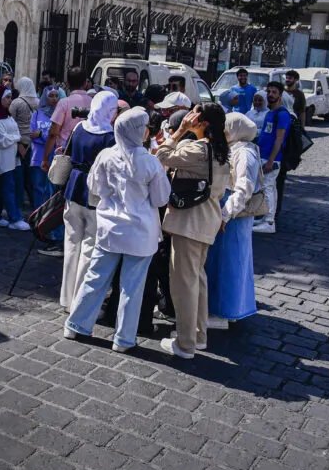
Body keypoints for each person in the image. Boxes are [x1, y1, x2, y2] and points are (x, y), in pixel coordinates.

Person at [64, 107, 171, 351]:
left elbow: (94, 187)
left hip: (110, 228)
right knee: (132, 287)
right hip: (140, 232)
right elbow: (160, 198)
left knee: (95, 278)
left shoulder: (106, 155)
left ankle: (76, 324)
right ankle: (123, 339)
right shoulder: (150, 162)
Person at [156, 103, 231, 359]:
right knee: (197, 281)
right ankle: (198, 336)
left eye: (194, 113)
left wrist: (179, 131)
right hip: (207, 221)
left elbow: (161, 155)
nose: (189, 116)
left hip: (189, 223)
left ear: (204, 122)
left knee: (183, 285)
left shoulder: (197, 149)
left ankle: (185, 344)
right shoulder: (220, 150)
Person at [60, 90, 119, 310]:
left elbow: (67, 153)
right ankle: (79, 300)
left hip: (74, 186)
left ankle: (66, 297)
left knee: (71, 244)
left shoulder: (78, 127)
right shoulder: (110, 137)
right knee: (89, 248)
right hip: (95, 191)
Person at [204, 113, 261, 329]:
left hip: (233, 214)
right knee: (225, 260)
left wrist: (225, 214)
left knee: (229, 262)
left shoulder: (244, 152)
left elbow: (243, 188)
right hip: (230, 211)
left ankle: (224, 311)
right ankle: (228, 309)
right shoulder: (238, 148)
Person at [0, 86, 28, 230]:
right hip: (3, 158)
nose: (10, 100)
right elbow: (1, 140)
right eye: (7, 97)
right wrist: (16, 138)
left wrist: (14, 138)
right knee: (8, 188)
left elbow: (11, 135)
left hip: (12, 157)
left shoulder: (7, 116)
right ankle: (14, 218)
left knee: (0, 188)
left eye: (10, 97)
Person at [32, 86, 67, 256]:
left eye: (56, 96)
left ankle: (54, 231)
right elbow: (32, 133)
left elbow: (51, 135)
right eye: (50, 96)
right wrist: (42, 136)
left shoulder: (61, 114)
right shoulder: (37, 113)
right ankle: (39, 223)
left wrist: (42, 135)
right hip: (38, 158)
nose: (53, 99)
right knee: (39, 191)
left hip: (56, 159)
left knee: (53, 195)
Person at [253, 82, 291, 235]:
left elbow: (279, 139)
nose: (270, 94)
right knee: (270, 188)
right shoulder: (270, 113)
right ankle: (267, 217)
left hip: (271, 159)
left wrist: (270, 161)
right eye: (269, 91)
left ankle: (269, 222)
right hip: (263, 156)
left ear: (280, 95)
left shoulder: (282, 114)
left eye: (274, 92)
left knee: (267, 188)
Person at [41, 66, 93, 173]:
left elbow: (53, 133)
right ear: (85, 83)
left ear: (68, 84)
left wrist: (45, 159)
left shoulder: (64, 103)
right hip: (87, 156)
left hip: (65, 156)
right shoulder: (93, 102)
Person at [10, 77, 39, 209]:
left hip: (20, 142)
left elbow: (10, 121)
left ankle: (18, 201)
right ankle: (35, 201)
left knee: (19, 174)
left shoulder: (16, 102)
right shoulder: (38, 102)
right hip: (35, 143)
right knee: (31, 174)